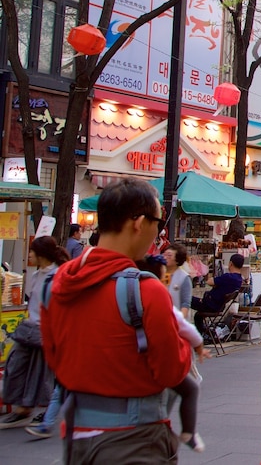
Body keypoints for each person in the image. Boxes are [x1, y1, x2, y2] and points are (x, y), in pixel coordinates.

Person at [40, 178, 191, 462]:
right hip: (134, 438)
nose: (158, 235)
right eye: (157, 223)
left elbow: (55, 359)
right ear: (138, 223)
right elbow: (172, 371)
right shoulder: (146, 290)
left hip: (76, 436)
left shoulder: (56, 283)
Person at [136, 255, 207, 452]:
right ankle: (188, 432)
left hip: (130, 356)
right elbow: (182, 324)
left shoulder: (124, 287)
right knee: (189, 388)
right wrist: (199, 344)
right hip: (158, 355)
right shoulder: (155, 291)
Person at [0, 236, 68, 430]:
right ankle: (23, 409)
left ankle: (36, 411)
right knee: (15, 365)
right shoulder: (38, 274)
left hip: (46, 331)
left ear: (41, 254)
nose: (29, 255)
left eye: (32, 251)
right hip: (29, 328)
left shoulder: (58, 275)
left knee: (40, 374)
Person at [191, 253, 245, 336]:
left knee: (186, 299)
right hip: (218, 306)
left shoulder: (228, 277)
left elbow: (209, 281)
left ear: (230, 263)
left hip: (210, 304)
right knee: (198, 316)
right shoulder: (239, 279)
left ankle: (199, 336)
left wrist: (216, 283)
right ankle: (204, 334)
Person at [164, 242, 192, 320]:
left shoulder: (184, 277)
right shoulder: (159, 274)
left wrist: (180, 320)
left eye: (169, 255)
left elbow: (185, 303)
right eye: (164, 255)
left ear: (177, 260)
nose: (165, 257)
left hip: (176, 321)